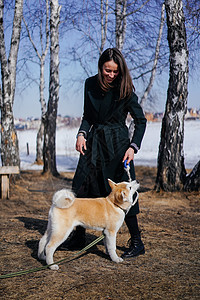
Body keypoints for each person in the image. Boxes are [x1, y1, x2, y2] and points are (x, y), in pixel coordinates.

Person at [69, 48, 147, 259]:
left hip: (120, 146)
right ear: (100, 67)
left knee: (124, 193)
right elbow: (87, 115)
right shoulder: (90, 84)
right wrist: (82, 133)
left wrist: (133, 147)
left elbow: (140, 121)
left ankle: (137, 241)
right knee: (83, 185)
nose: (111, 75)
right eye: (107, 70)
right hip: (94, 143)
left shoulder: (126, 88)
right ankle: (78, 236)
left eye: (115, 71)